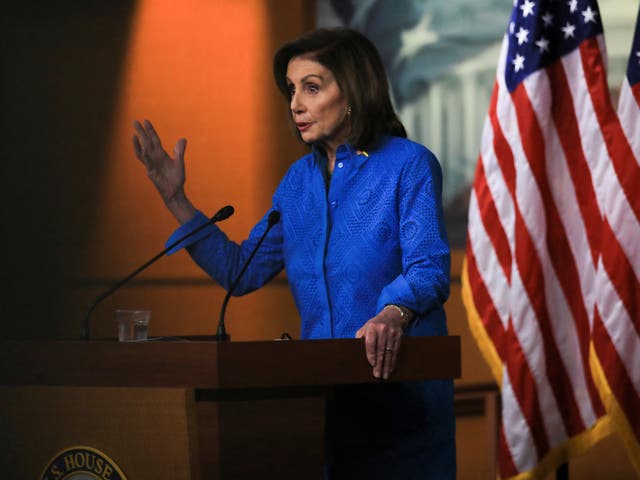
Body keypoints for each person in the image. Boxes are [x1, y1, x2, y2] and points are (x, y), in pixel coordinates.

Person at [133, 27, 454, 479]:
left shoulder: (408, 164)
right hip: (319, 411)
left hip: (399, 408)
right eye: (291, 89)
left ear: (355, 92)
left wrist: (392, 312)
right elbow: (240, 272)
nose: (295, 104)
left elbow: (429, 270)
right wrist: (176, 200)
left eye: (312, 87)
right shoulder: (296, 183)